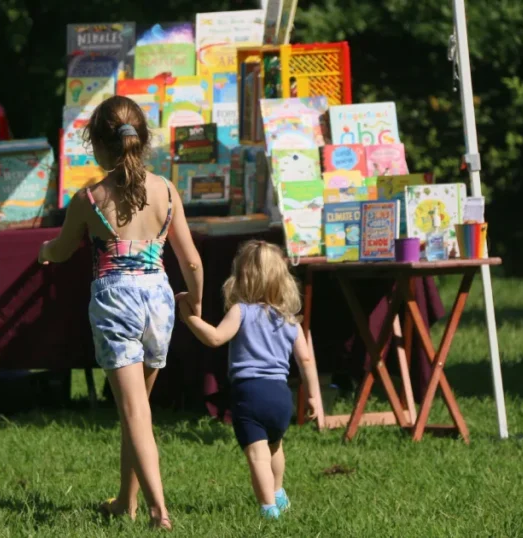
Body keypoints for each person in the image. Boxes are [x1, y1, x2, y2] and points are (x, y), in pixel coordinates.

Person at [38, 95, 203, 530]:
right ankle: (125, 503)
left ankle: (158, 511)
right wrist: (197, 302)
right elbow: (192, 263)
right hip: (159, 302)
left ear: (96, 144)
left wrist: (44, 252)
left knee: (134, 412)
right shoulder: (166, 190)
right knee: (138, 410)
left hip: (117, 302)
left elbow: (62, 248)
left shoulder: (90, 198)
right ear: (142, 140)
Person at [176, 240, 324, 520]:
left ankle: (268, 509)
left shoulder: (241, 311)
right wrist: (314, 397)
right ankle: (278, 492)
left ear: (242, 277)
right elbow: (306, 360)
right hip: (281, 397)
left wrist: (188, 316)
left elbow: (215, 338)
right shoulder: (290, 320)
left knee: (257, 455)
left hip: (250, 394)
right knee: (275, 446)